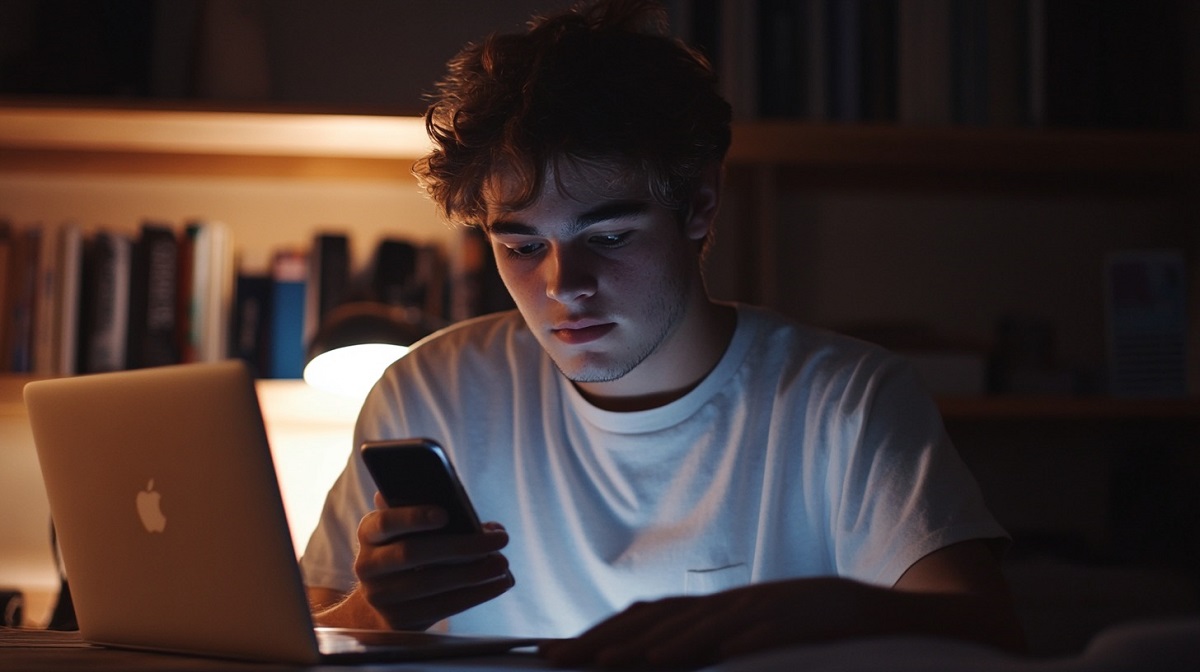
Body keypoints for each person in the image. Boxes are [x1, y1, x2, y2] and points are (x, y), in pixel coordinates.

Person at [300, 0, 1025, 667]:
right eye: (521, 247)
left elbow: (994, 638)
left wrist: (827, 612)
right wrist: (373, 609)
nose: (562, 285)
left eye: (609, 236)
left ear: (700, 205)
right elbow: (295, 636)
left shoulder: (845, 400)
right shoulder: (431, 389)